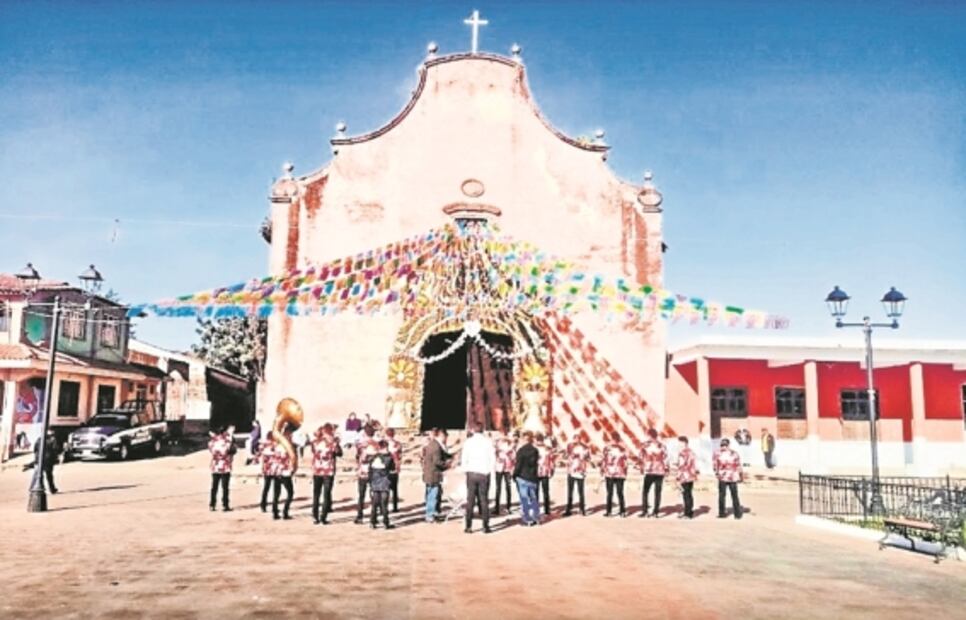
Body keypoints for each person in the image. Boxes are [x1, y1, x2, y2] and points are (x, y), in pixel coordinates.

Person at [460, 424, 494, 534]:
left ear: (474, 430)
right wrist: (489, 471)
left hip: (471, 472)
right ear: (483, 430)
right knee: (484, 500)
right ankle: (485, 526)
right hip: (483, 473)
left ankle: (468, 526)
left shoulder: (468, 442)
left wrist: (465, 470)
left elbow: (464, 458)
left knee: (470, 500)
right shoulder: (488, 442)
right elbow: (492, 459)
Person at [310, 424, 343, 525]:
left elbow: (313, 451)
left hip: (317, 470)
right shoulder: (332, 443)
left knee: (316, 494)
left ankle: (315, 516)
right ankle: (323, 517)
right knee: (326, 494)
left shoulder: (315, 442)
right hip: (328, 471)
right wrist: (337, 443)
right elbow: (339, 453)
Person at [639, 428, 669, 518]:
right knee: (657, 492)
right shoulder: (662, 446)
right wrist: (667, 469)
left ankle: (645, 511)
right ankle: (655, 512)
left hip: (650, 470)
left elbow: (640, 457)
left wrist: (641, 467)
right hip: (660, 470)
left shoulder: (645, 445)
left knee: (645, 491)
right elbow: (666, 458)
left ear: (649, 435)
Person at [421, 428, 450, 523]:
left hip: (430, 474)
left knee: (432, 494)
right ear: (442, 435)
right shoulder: (436, 446)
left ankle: (434, 512)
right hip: (433, 474)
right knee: (433, 495)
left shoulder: (433, 444)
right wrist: (447, 465)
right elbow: (437, 462)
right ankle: (430, 514)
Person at [513, 431, 540, 526]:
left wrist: (514, 475)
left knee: (524, 498)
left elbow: (518, 465)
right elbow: (535, 464)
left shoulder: (521, 451)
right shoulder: (535, 450)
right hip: (532, 477)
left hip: (523, 476)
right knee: (533, 498)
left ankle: (528, 518)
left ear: (524, 439)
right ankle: (536, 517)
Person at [368, 439, 396, 529]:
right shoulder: (388, 457)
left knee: (374, 503)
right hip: (384, 481)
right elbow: (392, 467)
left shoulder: (374, 457)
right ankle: (385, 522)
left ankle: (372, 522)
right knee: (384, 503)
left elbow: (370, 470)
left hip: (375, 481)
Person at [354, 425, 379, 524]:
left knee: (361, 495)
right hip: (374, 471)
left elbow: (357, 457)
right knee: (374, 495)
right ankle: (374, 517)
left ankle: (359, 515)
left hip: (363, 471)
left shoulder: (361, 444)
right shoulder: (376, 445)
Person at [713, 438, 744, 519]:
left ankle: (722, 513)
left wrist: (716, 473)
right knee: (733, 495)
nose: (724, 447)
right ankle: (737, 514)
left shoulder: (717, 453)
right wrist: (741, 476)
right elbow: (738, 466)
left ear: (728, 445)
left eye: (725, 445)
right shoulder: (734, 453)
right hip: (731, 477)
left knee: (722, 495)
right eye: (723, 445)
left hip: (723, 477)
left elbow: (715, 466)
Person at [208, 426, 236, 511]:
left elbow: (210, 450)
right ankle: (225, 505)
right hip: (225, 465)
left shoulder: (212, 442)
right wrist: (231, 434)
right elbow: (231, 450)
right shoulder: (227, 441)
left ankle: (212, 504)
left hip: (215, 465)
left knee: (214, 486)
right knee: (225, 487)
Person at [601, 434, 628, 518]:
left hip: (610, 473)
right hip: (619, 473)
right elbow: (626, 462)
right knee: (620, 493)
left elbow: (604, 460)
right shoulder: (623, 449)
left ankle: (609, 512)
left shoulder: (607, 448)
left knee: (610, 493)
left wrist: (602, 470)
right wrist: (625, 472)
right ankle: (622, 512)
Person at [564, 436, 590, 516]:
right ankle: (569, 509)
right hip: (571, 471)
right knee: (570, 491)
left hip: (580, 471)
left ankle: (582, 509)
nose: (576, 440)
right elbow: (566, 455)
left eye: (578, 439)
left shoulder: (585, 447)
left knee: (581, 491)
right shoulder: (570, 446)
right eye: (575, 439)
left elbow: (588, 458)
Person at [674, 436, 699, 519]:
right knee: (688, 494)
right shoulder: (692, 452)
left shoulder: (682, 453)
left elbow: (681, 466)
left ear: (684, 443)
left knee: (686, 494)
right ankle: (688, 511)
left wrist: (677, 477)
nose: (678, 445)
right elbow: (695, 465)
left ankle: (687, 513)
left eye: (679, 443)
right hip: (691, 475)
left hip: (684, 475)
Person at [493, 430, 516, 515]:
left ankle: (508, 507)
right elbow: (494, 452)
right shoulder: (497, 443)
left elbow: (514, 456)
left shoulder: (511, 444)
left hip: (507, 468)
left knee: (508, 487)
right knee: (498, 488)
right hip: (499, 467)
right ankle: (497, 507)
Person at [273, 439, 295, 520]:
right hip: (285, 472)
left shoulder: (276, 447)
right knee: (290, 493)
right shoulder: (288, 448)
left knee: (276, 493)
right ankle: (285, 512)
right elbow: (291, 459)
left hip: (276, 471)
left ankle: (275, 512)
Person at [259, 432, 278, 513]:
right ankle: (274, 506)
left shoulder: (263, 445)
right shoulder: (276, 445)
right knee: (276, 489)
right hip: (275, 469)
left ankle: (263, 504)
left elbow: (260, 456)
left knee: (266, 487)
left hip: (266, 468)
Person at [536, 434, 555, 515]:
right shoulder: (534, 448)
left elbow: (551, 460)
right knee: (538, 491)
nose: (539, 442)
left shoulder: (547, 449)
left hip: (544, 471)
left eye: (540, 440)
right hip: (537, 471)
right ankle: (539, 509)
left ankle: (546, 509)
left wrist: (552, 469)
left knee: (545, 491)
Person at [385, 428, 403, 512]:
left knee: (385, 489)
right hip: (394, 468)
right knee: (395, 489)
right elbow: (399, 456)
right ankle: (395, 507)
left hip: (385, 468)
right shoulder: (398, 444)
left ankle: (384, 507)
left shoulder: (383, 443)